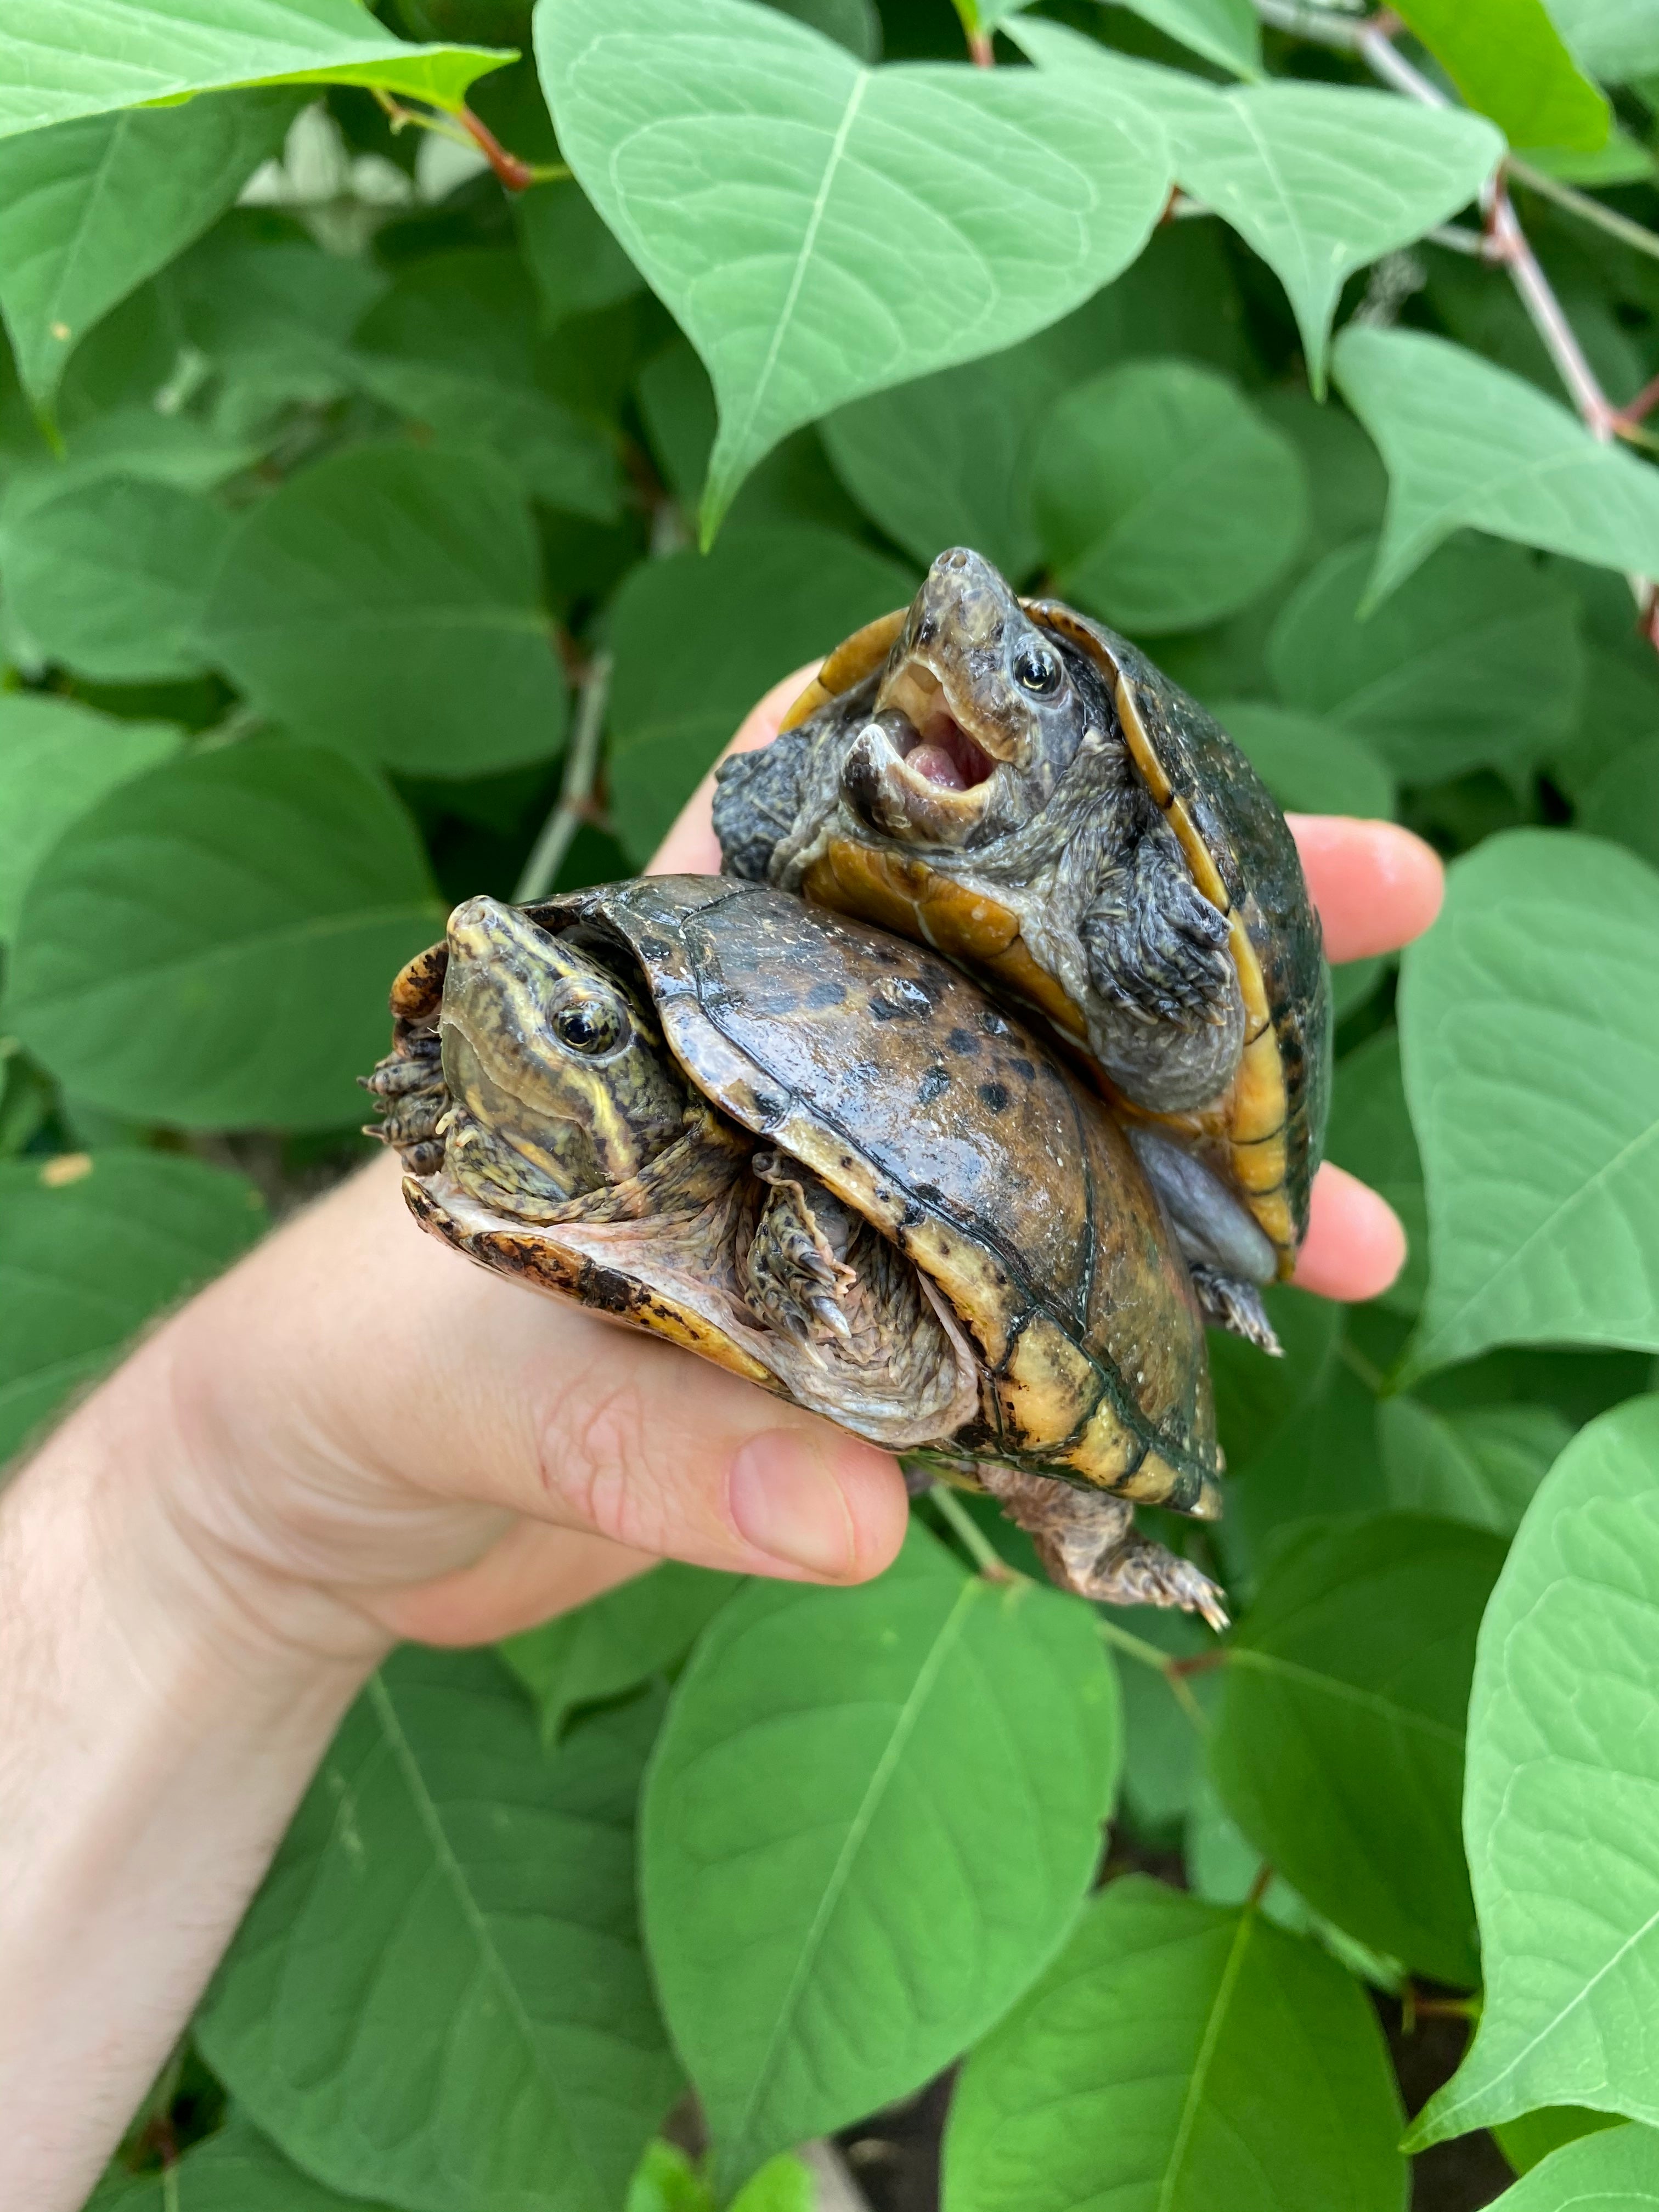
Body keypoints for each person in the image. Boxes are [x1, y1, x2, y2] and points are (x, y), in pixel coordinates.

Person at [0, 669, 1443, 2210]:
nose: (497, 980)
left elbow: (879, 1238)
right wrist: (214, 1522)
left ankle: (1104, 1522)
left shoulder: (791, 1164)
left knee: (1058, 1477)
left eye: (561, 1023)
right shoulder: (604, 1107)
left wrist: (204, 1536)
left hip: (1017, 1247)